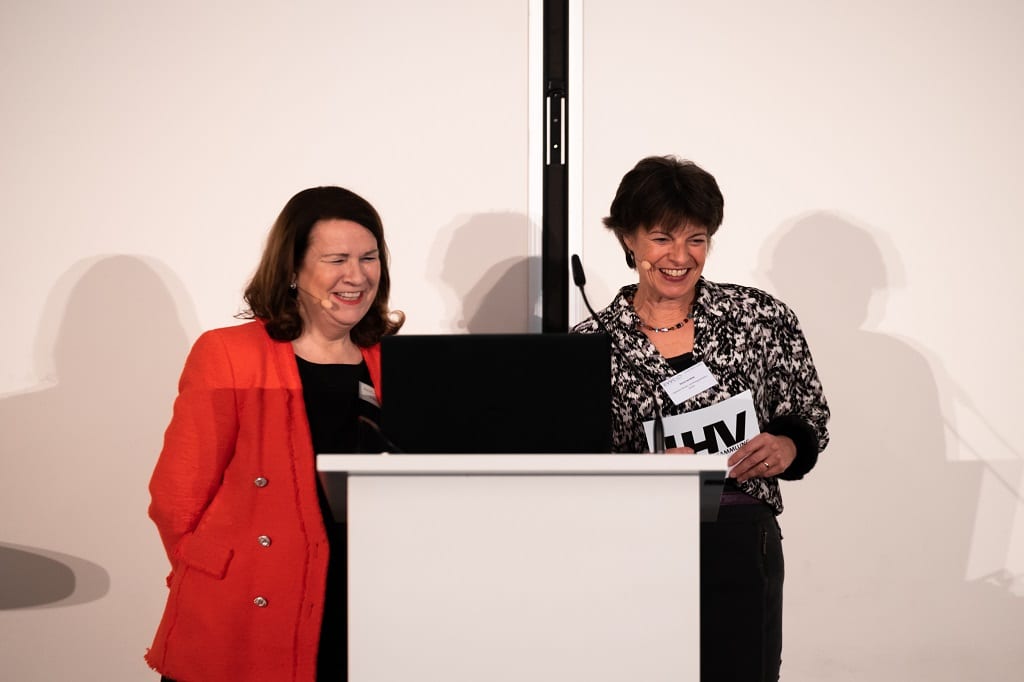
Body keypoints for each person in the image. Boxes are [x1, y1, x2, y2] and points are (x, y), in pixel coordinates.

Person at [572, 156, 829, 681]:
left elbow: (809, 413)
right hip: (635, 541)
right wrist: (642, 468)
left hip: (740, 539)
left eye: (696, 239)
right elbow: (575, 463)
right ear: (628, 239)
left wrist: (788, 444)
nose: (680, 256)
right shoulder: (590, 344)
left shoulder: (758, 317)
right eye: (661, 238)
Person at [145, 186, 404, 681]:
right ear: (291, 270)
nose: (357, 275)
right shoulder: (228, 354)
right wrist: (222, 575)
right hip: (249, 610)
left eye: (369, 258)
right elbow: (175, 500)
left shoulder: (393, 362)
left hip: (362, 608)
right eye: (337, 259)